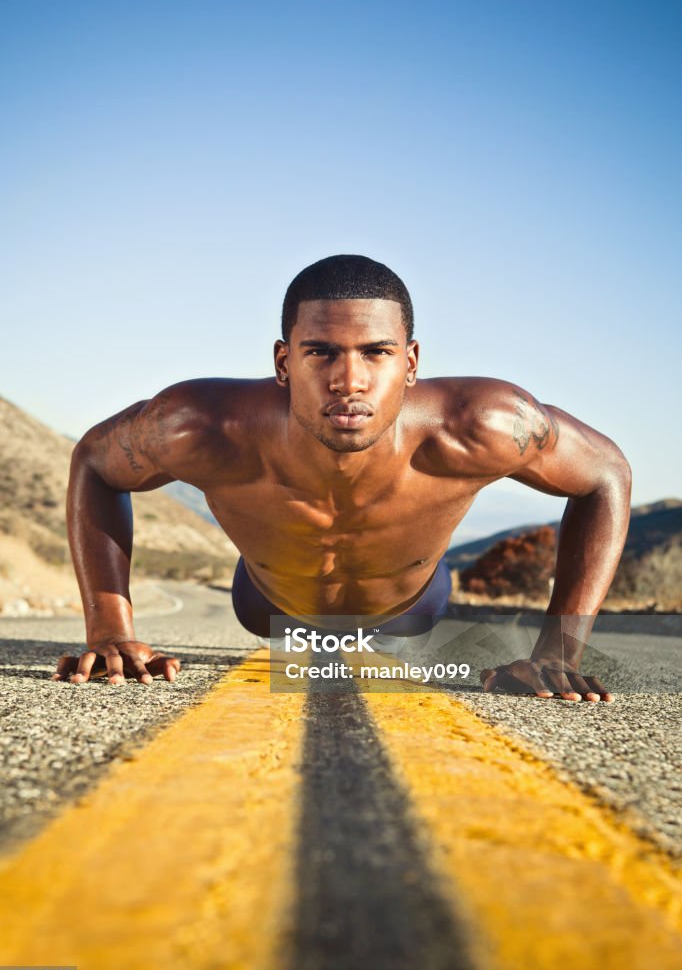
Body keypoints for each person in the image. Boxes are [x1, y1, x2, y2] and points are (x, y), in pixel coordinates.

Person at [52, 255, 631, 701]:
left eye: (376, 352)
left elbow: (605, 473)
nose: (348, 379)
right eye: (321, 352)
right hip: (264, 601)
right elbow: (95, 464)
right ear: (283, 362)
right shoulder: (198, 425)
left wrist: (559, 651)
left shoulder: (484, 425)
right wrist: (110, 630)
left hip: (412, 604)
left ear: (410, 362)